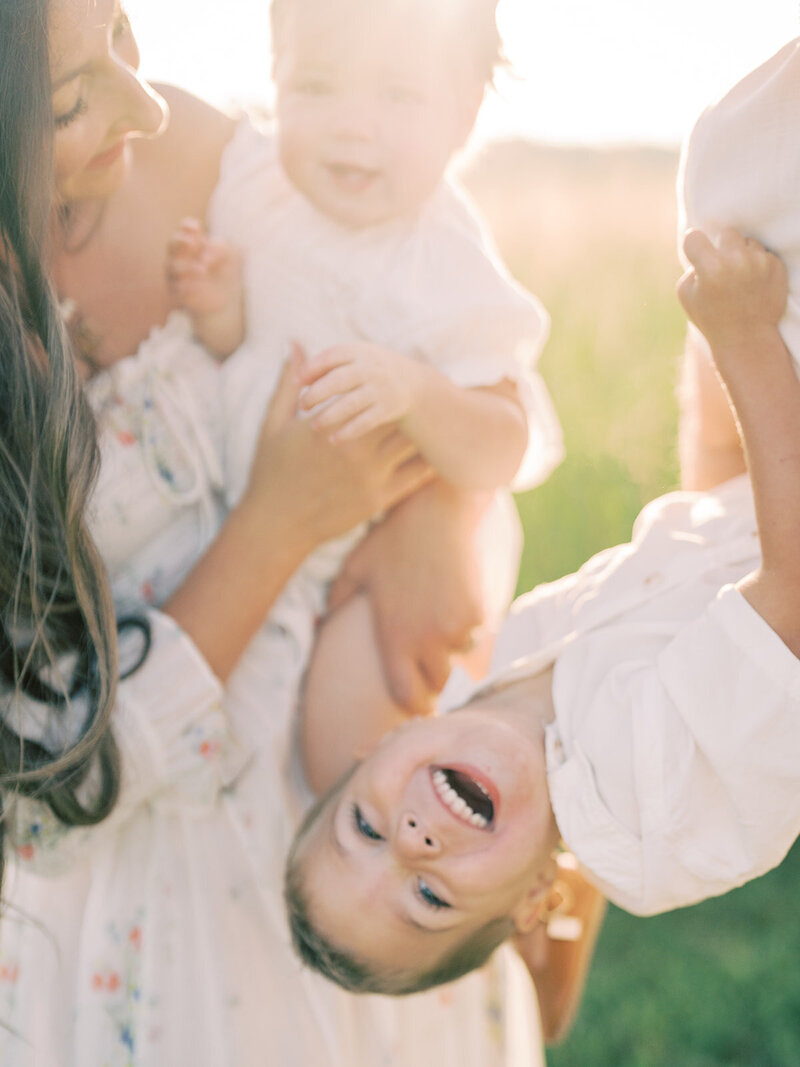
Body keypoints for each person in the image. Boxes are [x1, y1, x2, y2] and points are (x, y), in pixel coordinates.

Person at [0, 0, 556, 1063]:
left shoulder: (215, 159)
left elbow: (433, 322)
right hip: (125, 866)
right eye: (73, 96)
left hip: (325, 777)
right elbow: (47, 775)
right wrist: (283, 517)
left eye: (125, 33)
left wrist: (435, 510)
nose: (148, 104)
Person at [285, 226, 800, 996]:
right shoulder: (644, 810)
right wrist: (747, 339)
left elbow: (717, 507)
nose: (415, 841)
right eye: (429, 897)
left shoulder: (516, 659)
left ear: (382, 744)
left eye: (365, 826)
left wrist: (711, 356)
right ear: (535, 903)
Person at [164, 0, 563, 734]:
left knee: (346, 750)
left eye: (398, 95)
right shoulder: (254, 183)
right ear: (274, 78)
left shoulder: (445, 262)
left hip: (374, 559)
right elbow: (246, 353)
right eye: (316, 86)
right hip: (249, 522)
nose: (353, 122)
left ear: (465, 114)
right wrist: (218, 303)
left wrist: (415, 390)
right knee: (239, 742)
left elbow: (505, 439)